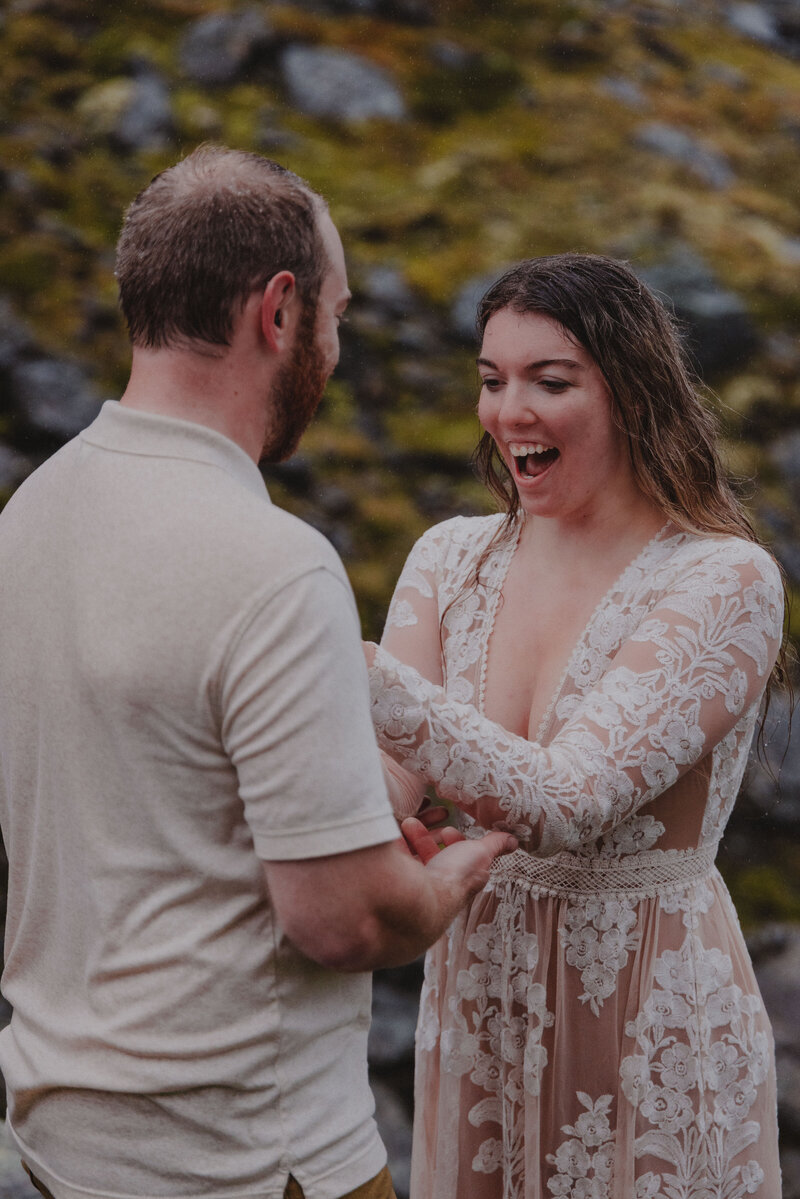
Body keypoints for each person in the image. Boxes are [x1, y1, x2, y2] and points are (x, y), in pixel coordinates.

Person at [0, 145, 517, 1199]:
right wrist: (435, 885)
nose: (334, 345)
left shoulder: (31, 515)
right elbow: (341, 919)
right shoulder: (273, 563)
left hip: (60, 1140)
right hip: (247, 1153)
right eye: (335, 313)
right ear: (276, 311)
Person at [365, 254, 785, 1199]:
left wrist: (343, 668)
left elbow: (569, 796)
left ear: (633, 393)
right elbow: (385, 777)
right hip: (479, 999)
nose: (510, 411)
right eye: (491, 379)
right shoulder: (448, 558)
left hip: (645, 1014)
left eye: (549, 382)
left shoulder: (722, 579)